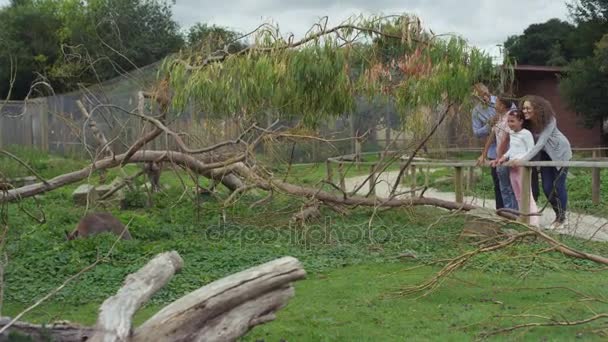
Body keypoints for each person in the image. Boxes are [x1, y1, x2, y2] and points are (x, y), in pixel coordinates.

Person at [506, 95, 572, 228]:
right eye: (523, 108)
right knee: (547, 188)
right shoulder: (528, 123)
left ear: (537, 108)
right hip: (546, 155)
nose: (525, 111)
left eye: (528, 108)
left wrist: (522, 160)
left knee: (558, 186)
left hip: (561, 153)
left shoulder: (549, 120)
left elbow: (540, 143)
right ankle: (559, 215)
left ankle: (561, 219)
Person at [495, 110, 539, 226]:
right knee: (518, 194)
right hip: (512, 167)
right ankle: (524, 218)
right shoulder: (511, 133)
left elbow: (531, 150)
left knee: (526, 194)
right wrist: (504, 157)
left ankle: (534, 222)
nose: (510, 124)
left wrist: (520, 160)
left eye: (512, 121)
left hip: (522, 168)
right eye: (508, 121)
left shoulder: (526, 134)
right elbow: (512, 149)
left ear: (521, 121)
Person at [477, 96, 518, 210]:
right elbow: (491, 136)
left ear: (502, 105)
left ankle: (514, 212)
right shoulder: (498, 118)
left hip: (508, 156)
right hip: (500, 157)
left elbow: (507, 139)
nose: (495, 105)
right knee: (503, 186)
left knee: (511, 186)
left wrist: (501, 156)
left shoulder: (511, 117)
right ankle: (507, 211)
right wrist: (483, 155)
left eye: (497, 103)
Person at [471, 83, 503, 209]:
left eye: (486, 94)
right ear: (475, 97)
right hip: (493, 150)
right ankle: (501, 211)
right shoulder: (476, 112)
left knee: (511, 182)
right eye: (481, 96)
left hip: (510, 148)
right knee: (498, 182)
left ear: (488, 90)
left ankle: (515, 211)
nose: (485, 97)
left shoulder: (501, 101)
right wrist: (488, 126)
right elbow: (477, 133)